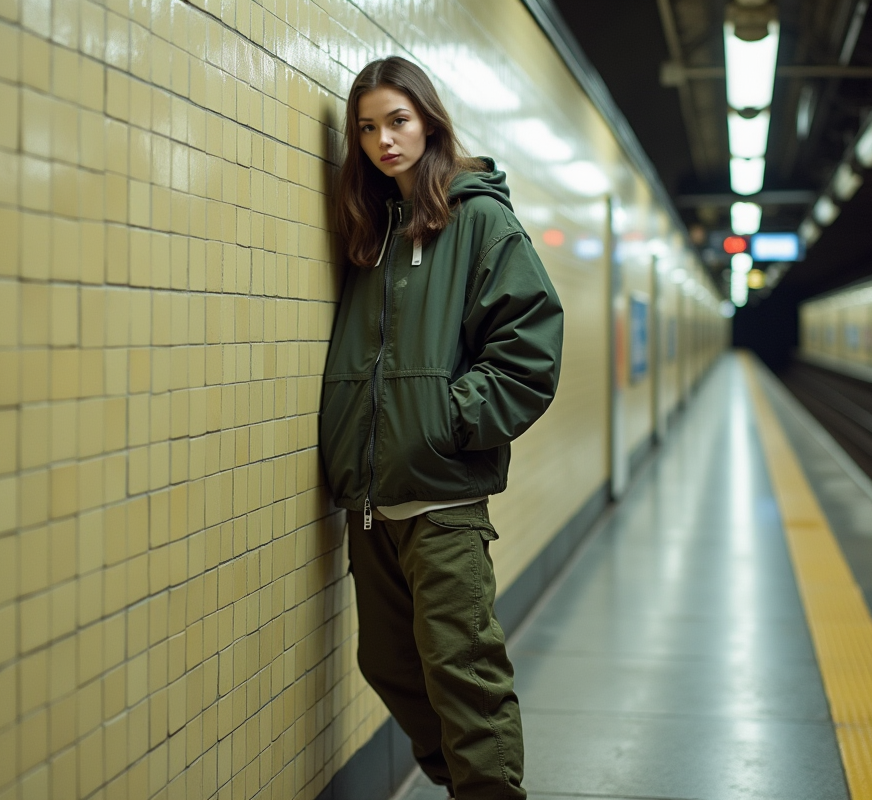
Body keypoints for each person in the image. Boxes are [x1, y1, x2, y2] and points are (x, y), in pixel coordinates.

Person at [321, 56, 563, 799]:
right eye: (367, 128)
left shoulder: (480, 219)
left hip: (442, 501)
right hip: (372, 505)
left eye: (398, 120)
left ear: (429, 120)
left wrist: (447, 419)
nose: (384, 140)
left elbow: (529, 353)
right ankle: (466, 784)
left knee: (464, 671)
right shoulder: (373, 230)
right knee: (389, 666)